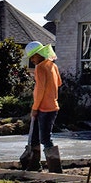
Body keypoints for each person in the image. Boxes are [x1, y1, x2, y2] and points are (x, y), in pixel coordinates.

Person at [25, 41, 63, 172]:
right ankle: (34, 165)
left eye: (33, 56)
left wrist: (35, 108)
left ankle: (55, 168)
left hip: (44, 108)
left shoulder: (40, 68)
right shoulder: (53, 66)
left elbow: (40, 89)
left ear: (40, 54)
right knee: (35, 136)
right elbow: (59, 83)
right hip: (52, 106)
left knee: (45, 138)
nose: (32, 60)